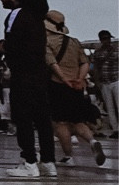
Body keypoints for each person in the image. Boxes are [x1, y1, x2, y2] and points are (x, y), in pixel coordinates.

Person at [0, 0, 55, 177]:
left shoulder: (15, 14)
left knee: (23, 118)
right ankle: (48, 161)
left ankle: (29, 161)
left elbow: (14, 44)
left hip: (22, 74)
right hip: (39, 74)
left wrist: (3, 47)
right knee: (43, 119)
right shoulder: (37, 17)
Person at [45, 11, 105, 166]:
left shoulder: (46, 42)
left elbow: (52, 64)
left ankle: (68, 156)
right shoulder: (74, 41)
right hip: (77, 86)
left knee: (61, 123)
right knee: (78, 120)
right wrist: (79, 78)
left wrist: (64, 79)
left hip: (57, 86)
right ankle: (92, 141)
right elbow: (84, 62)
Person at [92, 29, 119, 138]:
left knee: (112, 106)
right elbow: (94, 67)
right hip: (110, 81)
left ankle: (116, 129)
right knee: (110, 106)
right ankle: (115, 129)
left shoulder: (98, 52)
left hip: (113, 80)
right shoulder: (115, 50)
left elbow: (94, 67)